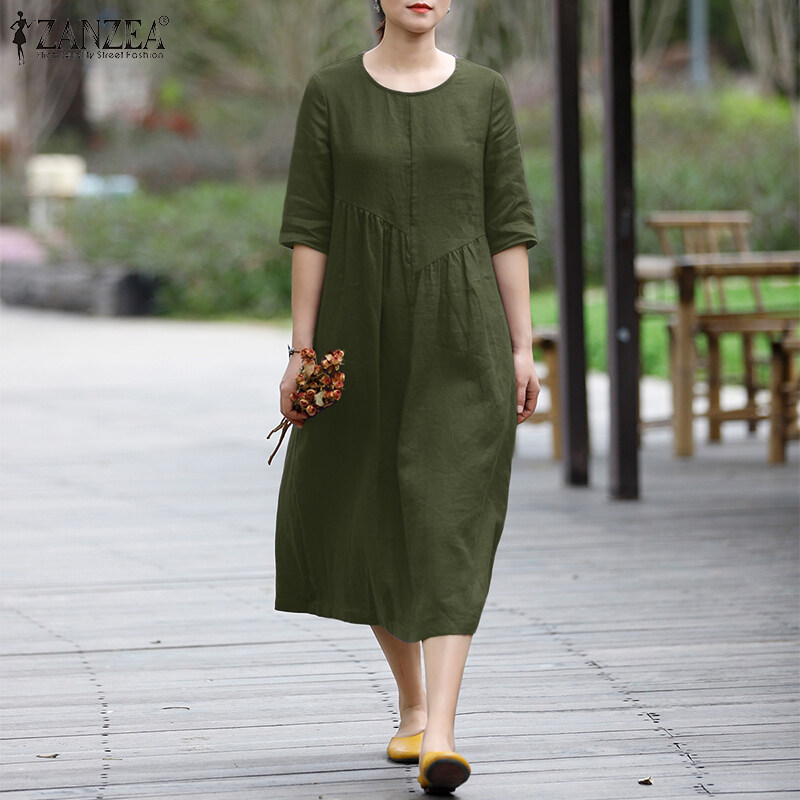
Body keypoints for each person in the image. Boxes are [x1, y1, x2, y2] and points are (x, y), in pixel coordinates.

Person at [273, 0, 540, 793]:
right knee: (366, 509)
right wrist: (301, 352)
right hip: (358, 336)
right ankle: (414, 704)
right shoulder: (330, 92)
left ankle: (442, 735)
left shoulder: (486, 92)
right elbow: (310, 226)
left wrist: (522, 346)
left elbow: (508, 224)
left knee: (451, 516)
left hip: (463, 336)